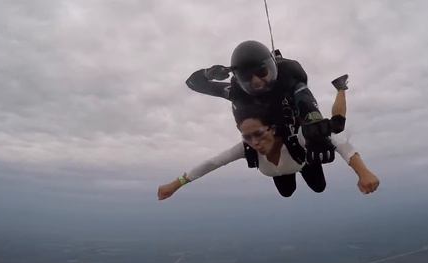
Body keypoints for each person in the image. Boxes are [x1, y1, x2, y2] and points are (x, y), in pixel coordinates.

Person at [158, 77, 379, 199]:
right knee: (287, 192)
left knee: (320, 181)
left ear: (272, 129)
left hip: (302, 162)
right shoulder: (247, 147)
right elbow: (213, 163)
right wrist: (176, 184)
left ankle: (341, 87)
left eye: (258, 134)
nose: (254, 143)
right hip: (281, 170)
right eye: (247, 136)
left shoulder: (297, 137)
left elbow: (339, 142)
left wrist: (363, 172)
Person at [185, 40, 339, 166]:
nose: (257, 81)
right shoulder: (236, 91)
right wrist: (208, 73)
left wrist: (315, 127)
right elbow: (193, 83)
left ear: (273, 66)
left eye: (261, 71)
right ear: (239, 79)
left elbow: (304, 100)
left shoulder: (288, 79)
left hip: (292, 138)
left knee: (316, 184)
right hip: (269, 145)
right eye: (246, 76)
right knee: (286, 189)